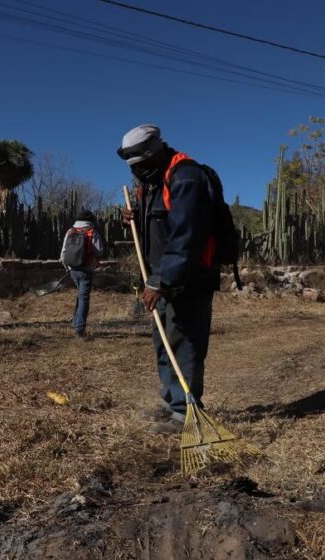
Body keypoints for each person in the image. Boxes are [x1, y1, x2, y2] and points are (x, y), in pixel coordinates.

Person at [118, 124, 220, 434]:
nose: (137, 172)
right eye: (132, 167)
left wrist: (158, 281)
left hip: (187, 278)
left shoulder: (186, 177)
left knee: (184, 343)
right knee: (164, 341)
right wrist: (135, 217)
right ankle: (171, 402)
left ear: (155, 152)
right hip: (161, 279)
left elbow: (186, 237)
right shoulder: (151, 180)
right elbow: (161, 229)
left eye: (140, 165)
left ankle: (185, 414)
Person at [60, 209, 106, 338]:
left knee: (81, 295)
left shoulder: (70, 231)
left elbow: (63, 252)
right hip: (87, 270)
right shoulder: (92, 232)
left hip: (73, 269)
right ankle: (80, 328)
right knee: (84, 297)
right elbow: (99, 251)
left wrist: (67, 267)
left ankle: (76, 321)